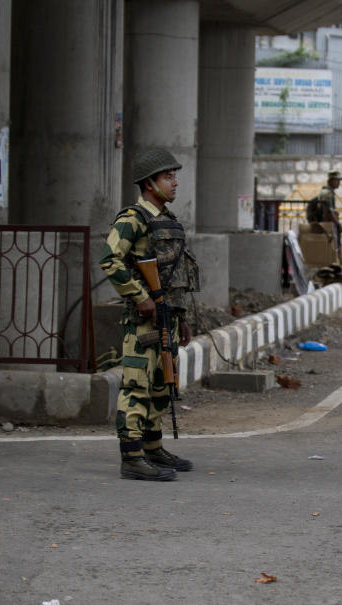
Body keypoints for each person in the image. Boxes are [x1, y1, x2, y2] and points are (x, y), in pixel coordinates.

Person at [100, 148, 198, 481]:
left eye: (174, 176)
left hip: (167, 317)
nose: (175, 182)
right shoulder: (133, 218)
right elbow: (110, 260)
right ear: (149, 183)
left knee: (160, 385)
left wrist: (181, 318)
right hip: (143, 321)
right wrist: (140, 297)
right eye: (167, 177)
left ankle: (152, 448)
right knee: (136, 386)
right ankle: (131, 457)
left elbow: (176, 275)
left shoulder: (168, 220)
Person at [307, 170, 342, 262]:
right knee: (332, 250)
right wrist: (338, 225)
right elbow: (329, 212)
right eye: (337, 180)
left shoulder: (326, 192)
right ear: (331, 181)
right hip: (327, 226)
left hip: (324, 225)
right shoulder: (328, 193)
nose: (339, 182)